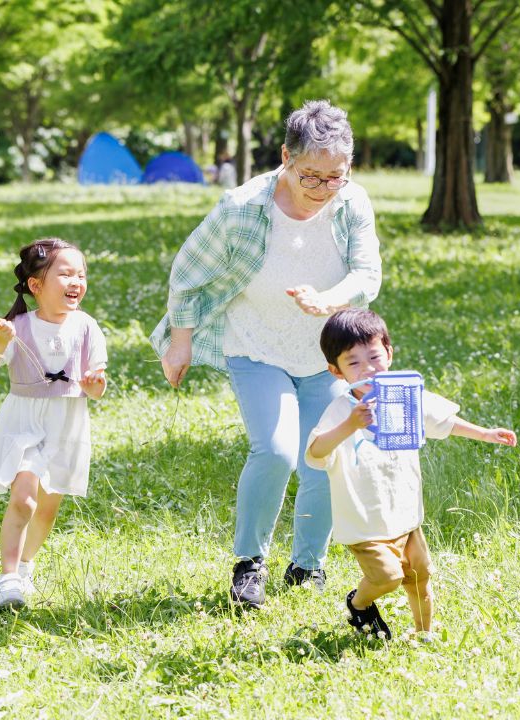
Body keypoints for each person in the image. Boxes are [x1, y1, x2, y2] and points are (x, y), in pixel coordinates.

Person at [151, 100, 382, 608]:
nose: (323, 189)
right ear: (285, 157)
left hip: (326, 355)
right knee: (276, 450)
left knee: (323, 454)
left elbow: (368, 274)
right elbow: (189, 273)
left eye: (335, 178)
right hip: (255, 345)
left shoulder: (352, 203)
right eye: (311, 177)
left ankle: (306, 567)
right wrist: (181, 340)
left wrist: (330, 299)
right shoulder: (242, 207)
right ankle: (249, 564)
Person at [305, 309, 517, 639]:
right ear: (337, 371)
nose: (369, 368)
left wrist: (485, 433)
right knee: (387, 577)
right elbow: (316, 451)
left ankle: (424, 634)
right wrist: (350, 425)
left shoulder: (404, 396)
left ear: (389, 353)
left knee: (420, 577)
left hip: (404, 516)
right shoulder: (342, 410)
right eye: (354, 362)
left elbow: (442, 421)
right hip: (365, 523)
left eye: (374, 356)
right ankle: (359, 604)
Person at [0, 237, 108, 609]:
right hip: (24, 422)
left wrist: (95, 385)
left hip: (67, 425)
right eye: (65, 274)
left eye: (81, 274)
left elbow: (96, 388)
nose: (76, 281)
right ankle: (8, 578)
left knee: (47, 508)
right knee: (24, 498)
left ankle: (26, 565)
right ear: (36, 285)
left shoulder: (86, 327)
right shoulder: (16, 327)